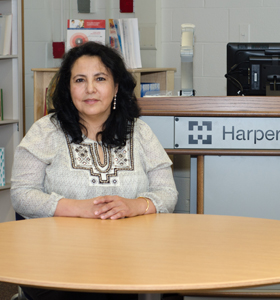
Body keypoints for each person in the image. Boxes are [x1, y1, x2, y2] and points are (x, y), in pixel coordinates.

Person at [10, 41, 178, 300]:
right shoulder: (45, 131)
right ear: (68, 87)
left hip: (126, 261)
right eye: (79, 80)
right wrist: (79, 208)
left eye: (100, 78)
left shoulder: (140, 132)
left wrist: (136, 206)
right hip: (55, 264)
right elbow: (21, 195)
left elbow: (167, 192)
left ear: (116, 87)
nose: (90, 89)